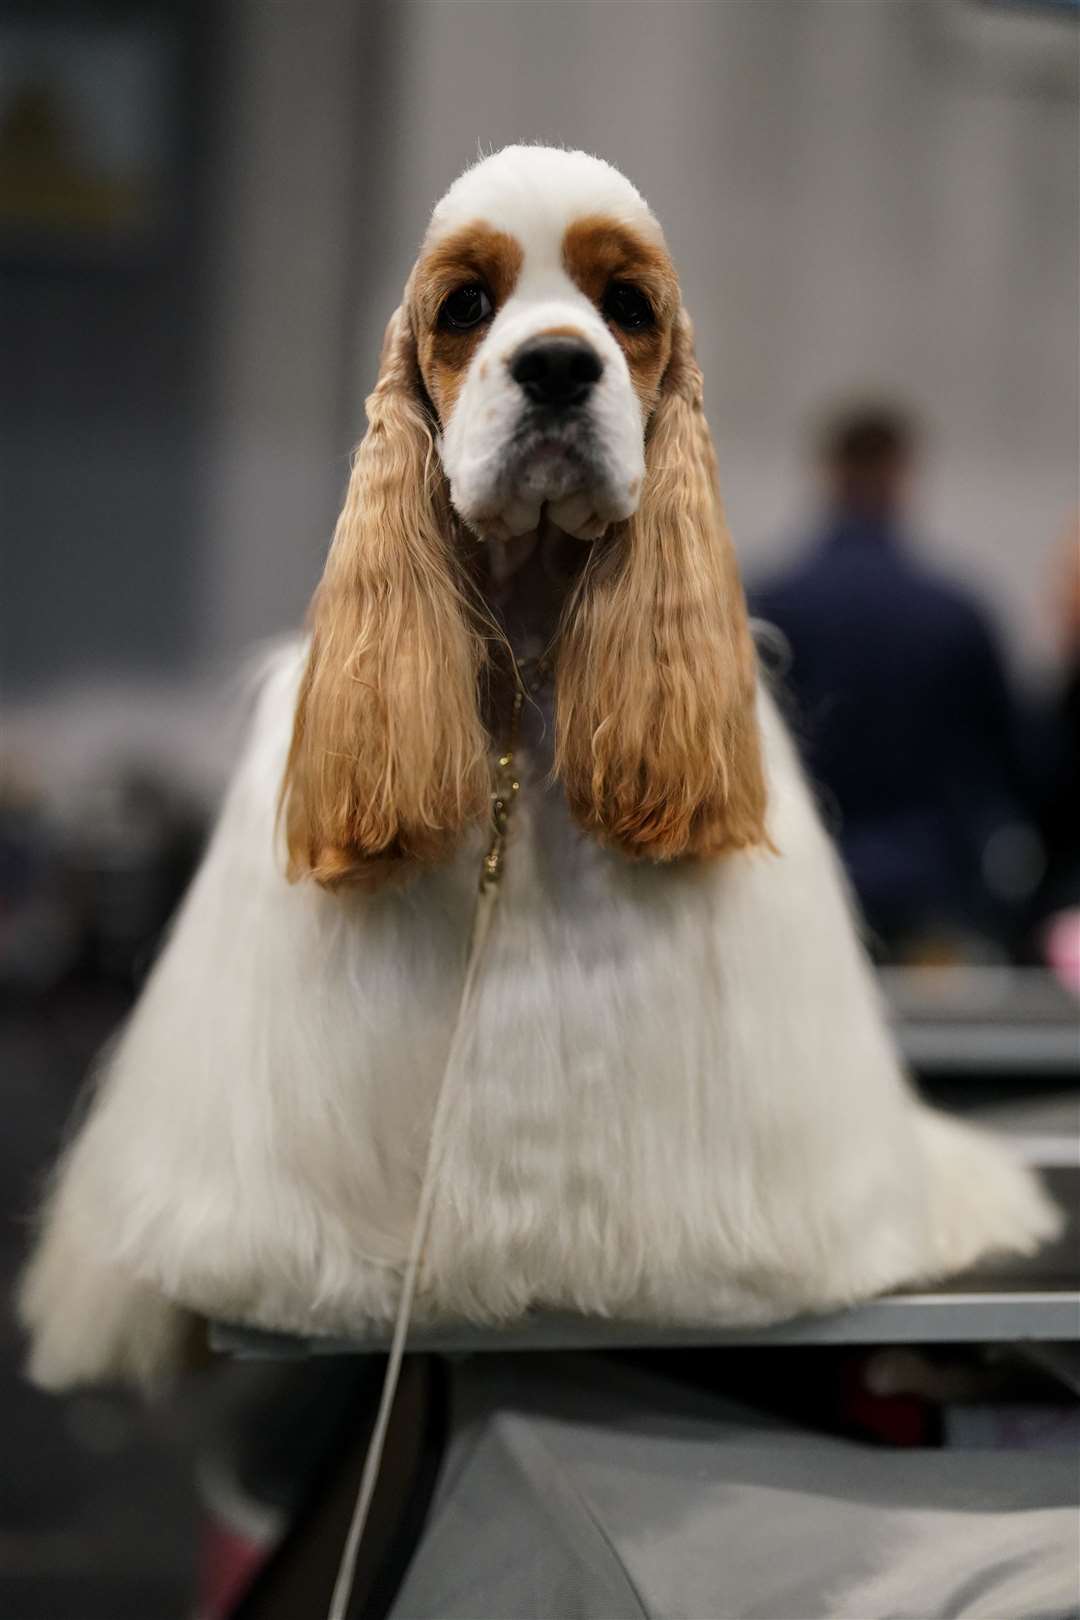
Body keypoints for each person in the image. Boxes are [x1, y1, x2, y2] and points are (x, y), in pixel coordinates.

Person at [752, 404, 1035, 959]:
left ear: (829, 473)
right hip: (930, 898)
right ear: (903, 477)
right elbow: (1010, 768)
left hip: (800, 885)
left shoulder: (768, 605)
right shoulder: (959, 613)